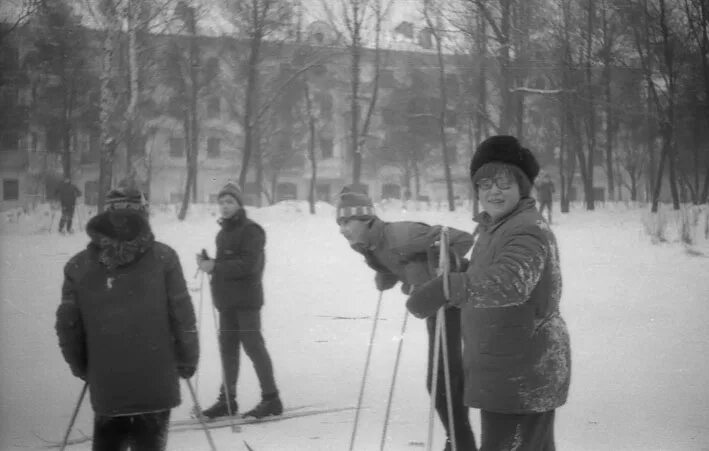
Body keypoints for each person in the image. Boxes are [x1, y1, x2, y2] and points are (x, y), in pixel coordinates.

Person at [406, 135, 571, 450]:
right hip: (506, 370)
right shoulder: (496, 227)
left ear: (522, 187)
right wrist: (458, 269)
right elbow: (488, 274)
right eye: (485, 184)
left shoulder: (527, 229)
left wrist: (447, 287)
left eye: (504, 183)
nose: (493, 191)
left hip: (522, 374)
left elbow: (510, 282)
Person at [55, 187, 199, 451]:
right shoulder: (164, 258)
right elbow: (183, 318)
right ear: (144, 215)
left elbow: (68, 328)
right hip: (156, 382)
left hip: (108, 384)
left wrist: (83, 368)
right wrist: (187, 360)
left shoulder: (79, 266)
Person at [336, 186, 478, 451]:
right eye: (339, 223)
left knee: (442, 382)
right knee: (444, 382)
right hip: (436, 305)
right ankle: (459, 442)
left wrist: (435, 261)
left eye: (347, 221)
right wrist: (388, 274)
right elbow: (400, 262)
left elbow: (463, 240)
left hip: (456, 301)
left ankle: (462, 444)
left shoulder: (401, 235)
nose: (342, 229)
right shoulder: (369, 245)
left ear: (366, 219)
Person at [197, 181, 282, 419]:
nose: (224, 207)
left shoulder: (252, 230)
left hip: (247, 301)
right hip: (226, 302)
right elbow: (228, 265)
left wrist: (216, 266)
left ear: (239, 204)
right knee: (227, 351)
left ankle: (271, 398)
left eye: (229, 202)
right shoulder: (223, 233)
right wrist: (211, 264)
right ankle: (227, 400)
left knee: (254, 347)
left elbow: (248, 265)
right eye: (221, 202)